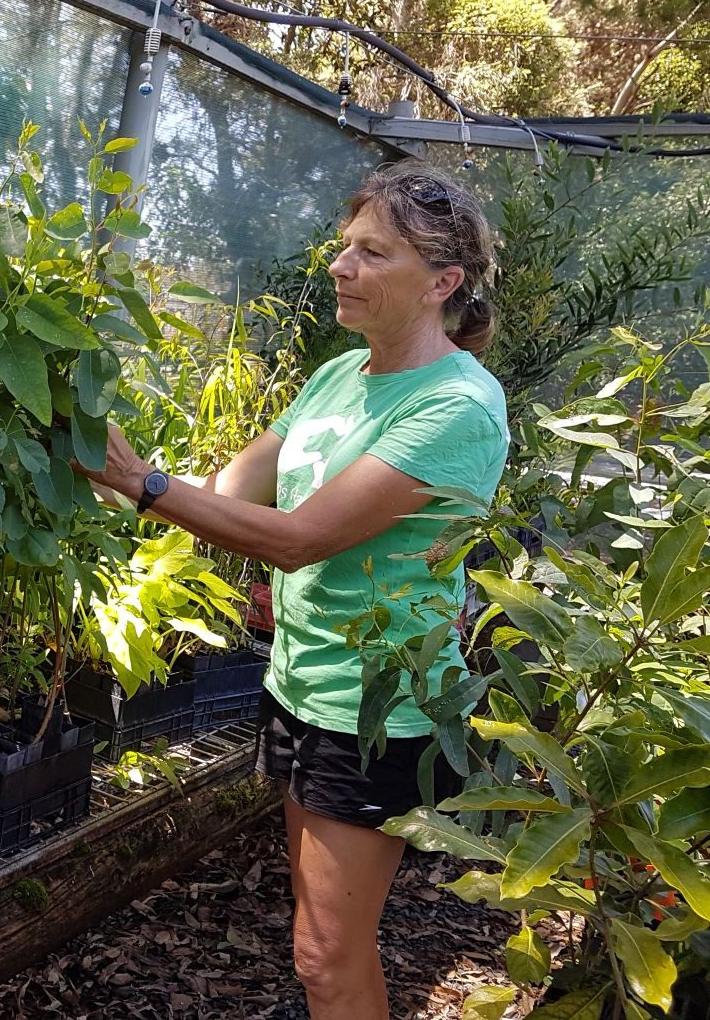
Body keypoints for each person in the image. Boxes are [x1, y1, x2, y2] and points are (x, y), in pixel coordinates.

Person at [77, 160, 507, 1020]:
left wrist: (147, 485)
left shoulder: (459, 405)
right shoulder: (338, 376)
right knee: (316, 933)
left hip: (383, 708)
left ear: (442, 283)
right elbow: (232, 494)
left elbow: (303, 538)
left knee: (325, 953)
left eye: (372, 254)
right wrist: (110, 464)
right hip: (303, 682)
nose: (341, 267)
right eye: (344, 248)